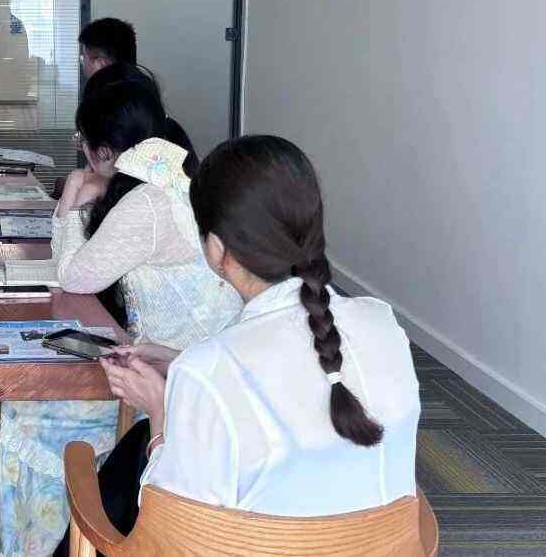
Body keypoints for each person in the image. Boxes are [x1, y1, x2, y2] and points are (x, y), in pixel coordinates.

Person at [93, 135, 420, 529]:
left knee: (124, 468)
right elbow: (292, 381)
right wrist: (181, 364)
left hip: (245, 543)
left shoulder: (209, 370)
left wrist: (160, 410)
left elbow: (169, 527)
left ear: (217, 248)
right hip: (390, 543)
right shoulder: (383, 324)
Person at [0, 65, 240, 557]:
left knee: (22, 413)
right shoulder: (179, 174)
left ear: (104, 152)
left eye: (82, 142)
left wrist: (71, 196)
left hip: (172, 386)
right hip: (200, 365)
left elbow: (74, 276)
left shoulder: (146, 203)